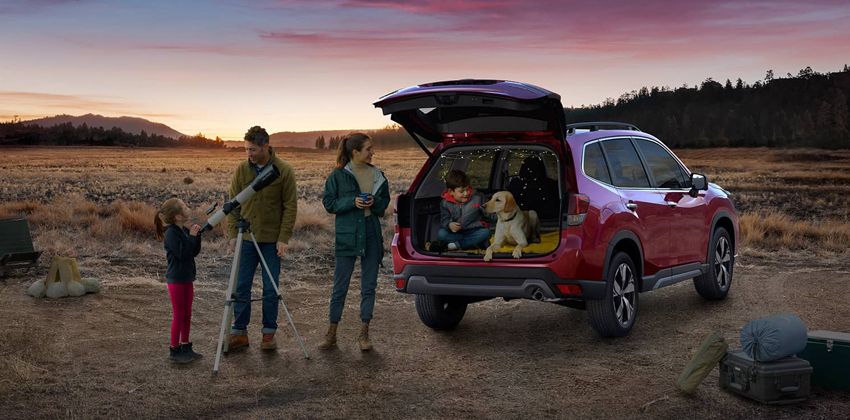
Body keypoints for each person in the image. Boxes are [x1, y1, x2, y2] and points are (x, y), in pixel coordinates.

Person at [226, 126, 297, 352]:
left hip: (271, 241)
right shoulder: (241, 170)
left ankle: (268, 335)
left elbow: (290, 207)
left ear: (266, 146)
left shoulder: (284, 170)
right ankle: (239, 333)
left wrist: (283, 238)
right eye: (247, 149)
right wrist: (232, 235)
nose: (249, 154)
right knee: (241, 285)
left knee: (270, 288)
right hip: (245, 239)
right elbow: (233, 204)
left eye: (253, 149)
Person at [319, 133, 390, 351]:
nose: (373, 152)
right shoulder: (338, 175)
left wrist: (374, 201)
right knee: (340, 286)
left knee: (369, 286)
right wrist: (352, 201)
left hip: (371, 233)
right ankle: (331, 333)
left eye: (372, 148)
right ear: (355, 152)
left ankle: (364, 334)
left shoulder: (378, 175)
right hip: (348, 233)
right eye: (368, 149)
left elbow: (382, 206)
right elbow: (329, 203)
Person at [154, 197, 203, 364]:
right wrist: (191, 237)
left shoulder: (182, 230)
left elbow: (192, 252)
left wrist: (197, 236)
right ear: (177, 216)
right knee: (179, 314)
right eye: (184, 206)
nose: (187, 208)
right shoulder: (171, 234)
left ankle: (185, 346)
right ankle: (174, 349)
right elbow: (182, 254)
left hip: (187, 277)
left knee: (187, 314)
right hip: (176, 279)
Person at [436, 169, 492, 251]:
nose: (466, 193)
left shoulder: (478, 198)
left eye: (467, 189)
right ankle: (470, 243)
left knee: (485, 233)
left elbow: (489, 214)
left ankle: (456, 245)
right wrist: (449, 225)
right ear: (451, 192)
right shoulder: (445, 203)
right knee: (441, 234)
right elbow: (444, 220)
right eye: (462, 191)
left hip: (474, 231)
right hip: (457, 233)